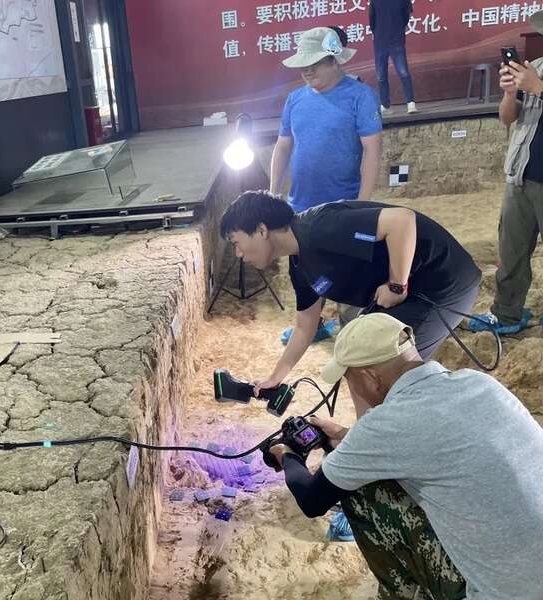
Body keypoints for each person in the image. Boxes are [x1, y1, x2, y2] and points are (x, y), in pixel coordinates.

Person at [266, 313, 543, 599]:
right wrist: (347, 434)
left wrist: (286, 453)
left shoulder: (387, 422)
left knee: (361, 489)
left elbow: (312, 500)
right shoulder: (479, 383)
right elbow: (431, 441)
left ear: (370, 378)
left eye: (349, 380)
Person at [220, 191, 481, 416]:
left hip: (442, 282)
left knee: (385, 373)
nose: (238, 254)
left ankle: (385, 446)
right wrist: (275, 378)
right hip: (416, 291)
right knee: (358, 363)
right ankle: (366, 440)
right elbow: (305, 326)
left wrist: (396, 285)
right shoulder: (300, 266)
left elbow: (402, 221)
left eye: (236, 243)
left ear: (261, 230)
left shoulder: (319, 227)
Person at [271, 26, 383, 344]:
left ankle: (353, 334)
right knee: (305, 271)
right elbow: (283, 146)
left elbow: (372, 151)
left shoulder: (360, 96)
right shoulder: (295, 99)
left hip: (343, 206)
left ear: (335, 60)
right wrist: (273, 192)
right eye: (303, 65)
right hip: (300, 206)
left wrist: (362, 204)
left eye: (315, 64)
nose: (307, 71)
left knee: (348, 270)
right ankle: (314, 324)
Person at [468, 10, 543, 335]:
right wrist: (511, 92)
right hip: (521, 175)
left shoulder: (535, 77)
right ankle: (507, 313)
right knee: (511, 252)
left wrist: (538, 87)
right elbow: (507, 117)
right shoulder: (535, 68)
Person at [369, 0, 418, 114]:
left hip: (394, 39)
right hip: (382, 40)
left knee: (402, 72)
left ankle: (410, 103)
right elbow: (372, 18)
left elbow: (405, 16)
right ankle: (385, 105)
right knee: (381, 75)